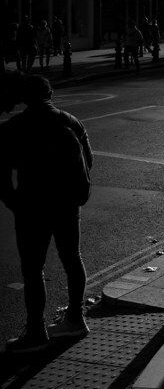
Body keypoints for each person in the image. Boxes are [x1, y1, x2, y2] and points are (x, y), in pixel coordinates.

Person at [0, 74, 93, 353]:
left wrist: (13, 201)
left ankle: (36, 332)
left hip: (32, 206)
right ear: (50, 93)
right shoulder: (70, 121)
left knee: (33, 269)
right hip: (67, 204)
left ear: (25, 98)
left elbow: (2, 172)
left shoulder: (15, 127)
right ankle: (75, 319)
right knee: (72, 259)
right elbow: (88, 160)